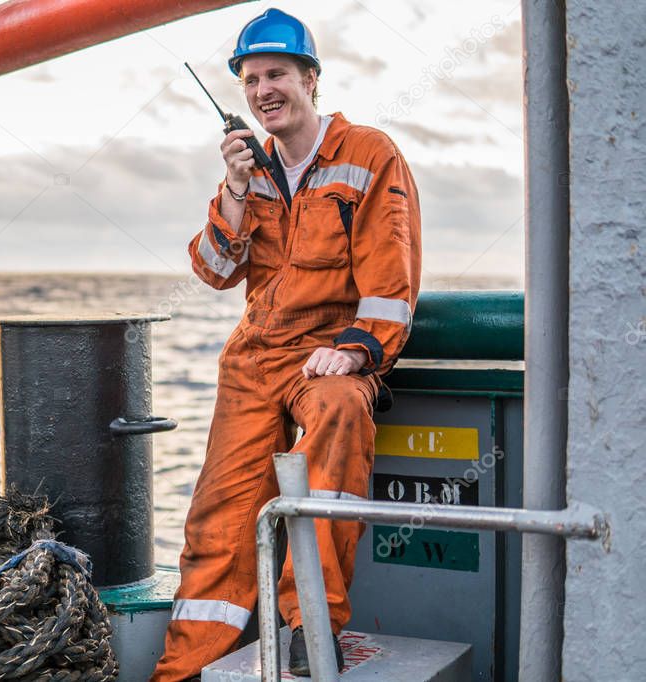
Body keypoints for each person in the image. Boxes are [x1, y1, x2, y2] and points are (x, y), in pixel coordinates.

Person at [150, 8, 421, 680]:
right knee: (218, 519)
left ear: (310, 79)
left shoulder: (367, 153)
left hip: (328, 355)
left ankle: (310, 628)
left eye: (276, 74)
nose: (263, 89)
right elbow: (213, 272)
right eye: (249, 79)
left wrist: (357, 349)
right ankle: (184, 669)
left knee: (336, 411)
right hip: (253, 363)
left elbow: (391, 278)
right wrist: (236, 192)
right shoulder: (251, 169)